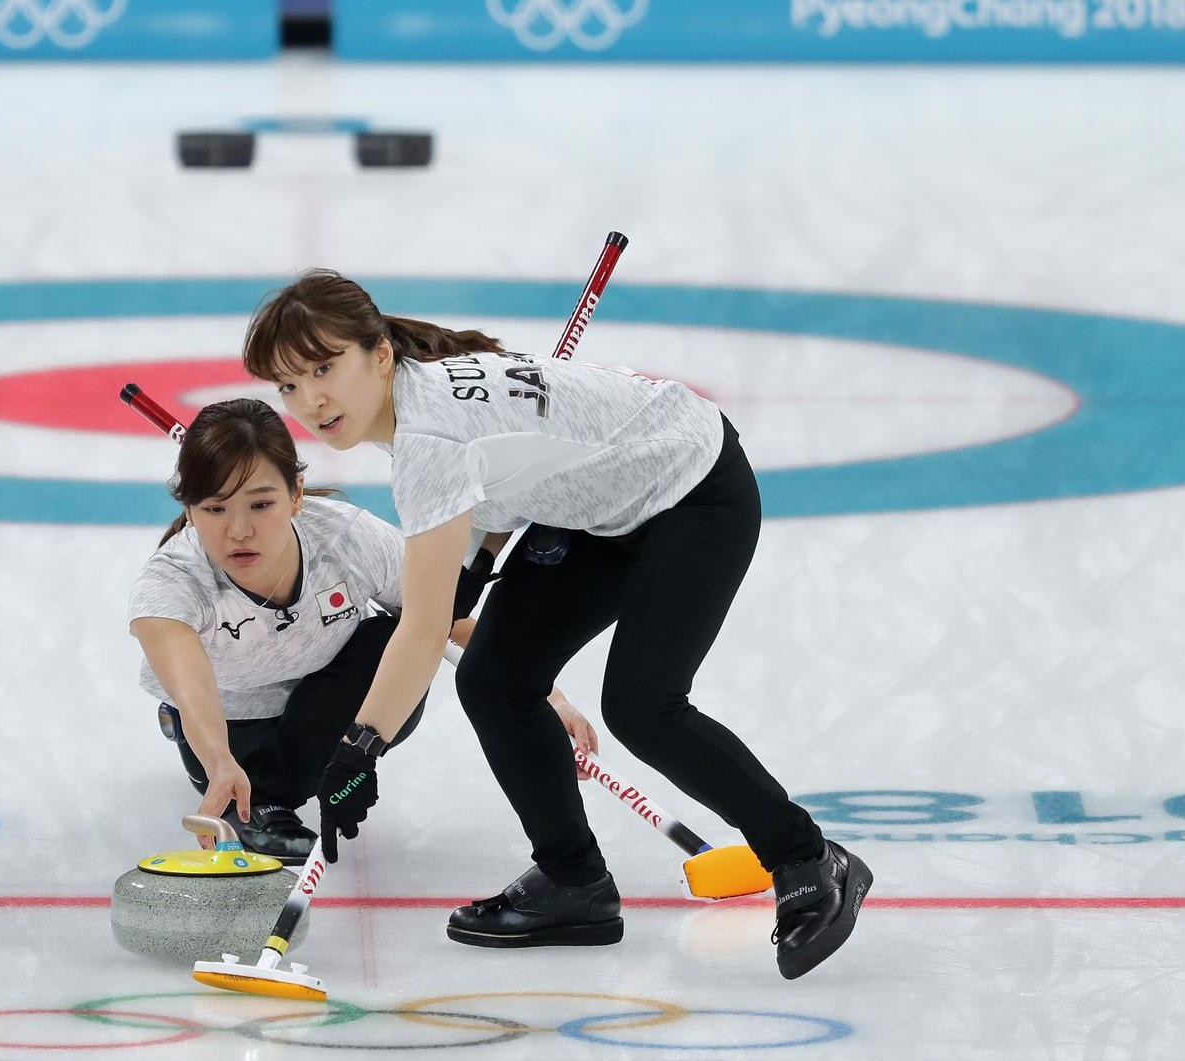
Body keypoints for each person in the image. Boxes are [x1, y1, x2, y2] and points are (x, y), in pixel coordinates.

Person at [239, 270, 871, 980]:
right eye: (289, 385)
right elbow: (506, 469)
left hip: (694, 490)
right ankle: (574, 882)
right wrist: (474, 560)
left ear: (379, 354)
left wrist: (359, 749)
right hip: (600, 507)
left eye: (325, 369)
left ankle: (807, 856)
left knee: (643, 706)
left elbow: (421, 629)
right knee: (495, 678)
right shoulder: (420, 393)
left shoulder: (426, 439)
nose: (311, 400)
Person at [128, 399, 597, 863]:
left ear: (296, 495)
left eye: (261, 504)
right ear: (189, 511)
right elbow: (193, 692)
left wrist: (548, 700)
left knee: (397, 636)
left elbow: (445, 620)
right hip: (229, 735)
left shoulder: (348, 538)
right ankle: (257, 800)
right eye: (214, 509)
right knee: (228, 733)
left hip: (325, 718)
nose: (239, 530)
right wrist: (218, 762)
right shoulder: (172, 580)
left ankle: (277, 790)